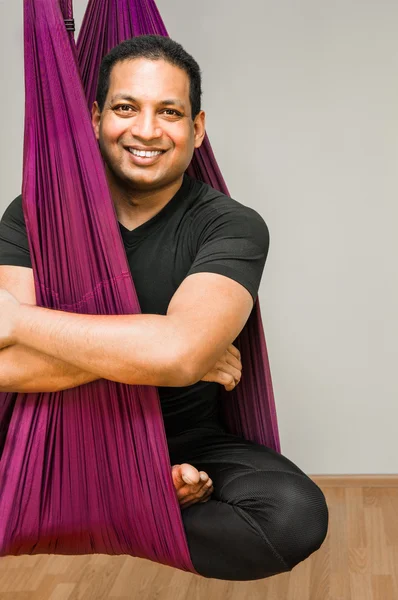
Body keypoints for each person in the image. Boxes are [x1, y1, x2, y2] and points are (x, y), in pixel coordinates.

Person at [0, 35, 328, 580]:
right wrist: (168, 348)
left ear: (196, 129)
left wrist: (18, 321)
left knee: (291, 517)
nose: (147, 130)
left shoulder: (230, 225)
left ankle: (133, 499)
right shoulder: (36, 214)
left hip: (180, 442)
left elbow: (177, 356)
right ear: (95, 117)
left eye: (169, 112)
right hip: (46, 440)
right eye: (126, 107)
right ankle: (138, 501)